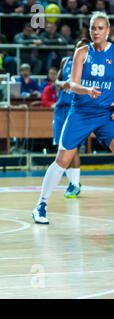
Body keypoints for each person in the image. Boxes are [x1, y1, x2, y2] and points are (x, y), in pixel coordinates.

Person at [32, 12, 114, 224]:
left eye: (100, 28)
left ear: (108, 31)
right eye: (93, 28)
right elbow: (72, 84)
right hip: (81, 113)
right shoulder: (82, 52)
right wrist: (88, 90)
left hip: (106, 114)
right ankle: (41, 205)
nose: (96, 32)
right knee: (62, 160)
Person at [50, 38, 90, 199]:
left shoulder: (89, 66)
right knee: (62, 147)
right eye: (78, 46)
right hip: (61, 108)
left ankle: (75, 184)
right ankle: (73, 183)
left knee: (72, 148)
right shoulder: (65, 61)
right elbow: (57, 82)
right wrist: (63, 83)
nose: (80, 50)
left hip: (76, 108)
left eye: (83, 48)